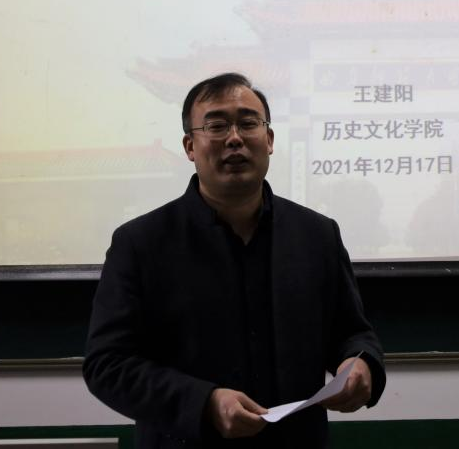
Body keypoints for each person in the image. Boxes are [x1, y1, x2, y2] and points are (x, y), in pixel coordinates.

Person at [83, 72, 385, 447]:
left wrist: (360, 362)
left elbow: (352, 332)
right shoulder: (141, 243)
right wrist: (205, 403)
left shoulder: (317, 234)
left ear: (269, 140)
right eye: (216, 126)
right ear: (190, 146)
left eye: (248, 123)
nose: (235, 138)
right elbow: (107, 364)